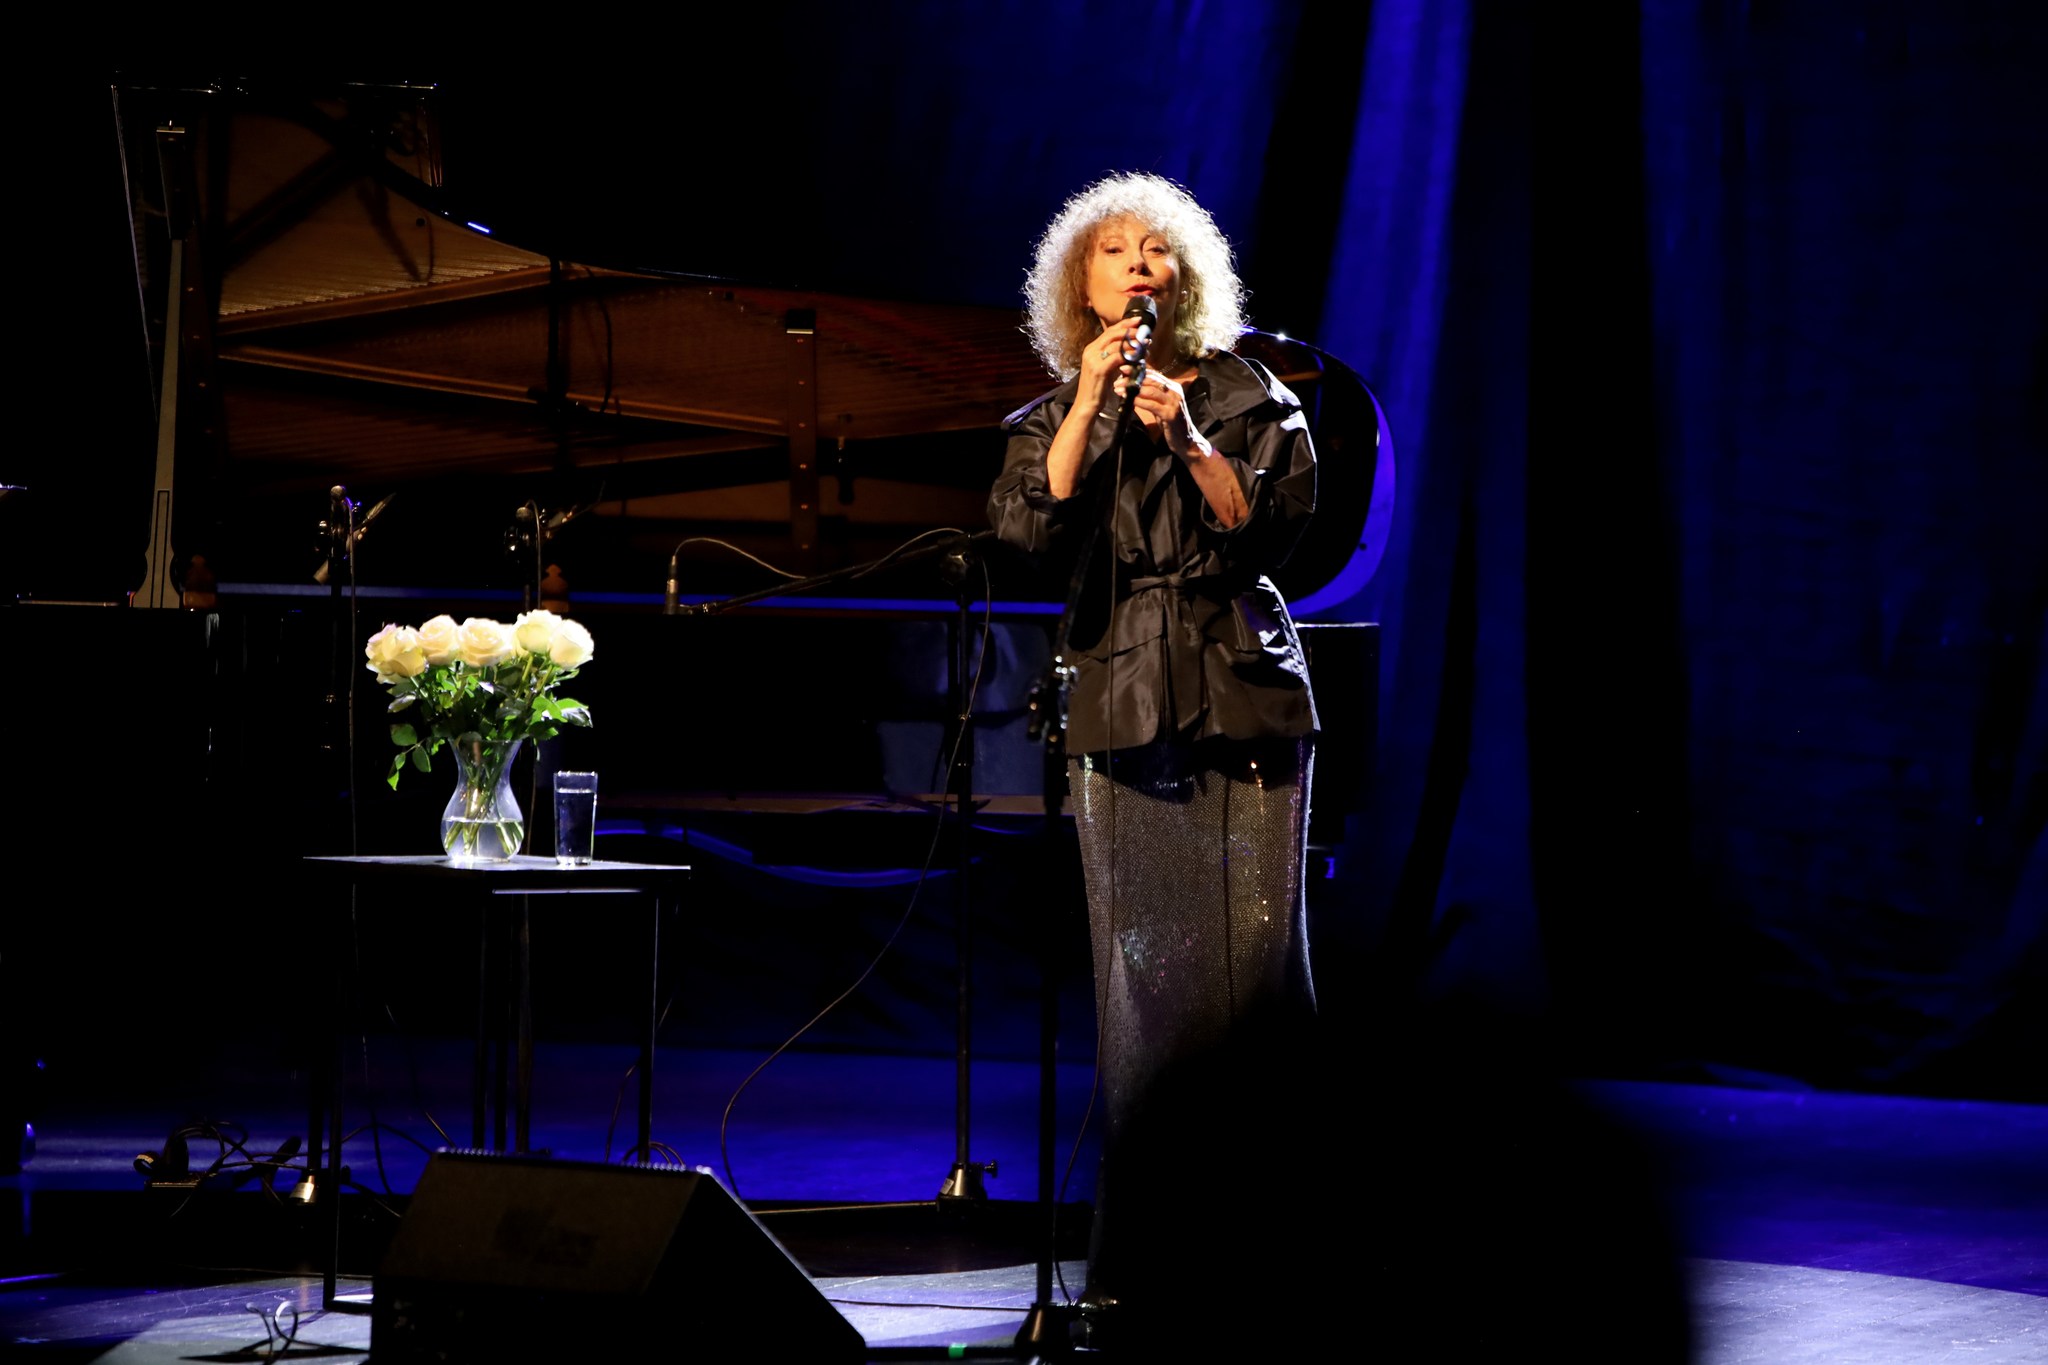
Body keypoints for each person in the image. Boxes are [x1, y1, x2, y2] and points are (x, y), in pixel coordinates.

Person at [986, 172, 1319, 1324]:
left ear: (1182, 276)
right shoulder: (1047, 419)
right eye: (1111, 249)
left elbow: (1266, 525)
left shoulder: (1243, 391)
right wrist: (1088, 401)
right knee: (1141, 989)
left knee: (1252, 979)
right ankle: (1140, 1266)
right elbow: (1031, 532)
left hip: (1239, 690)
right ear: (1079, 286)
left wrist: (1181, 434)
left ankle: (1278, 1260)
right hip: (1119, 698)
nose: (1136, 263)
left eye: (1155, 248)